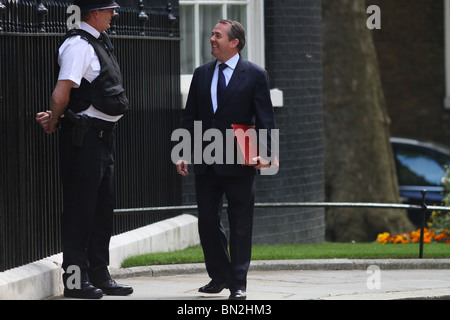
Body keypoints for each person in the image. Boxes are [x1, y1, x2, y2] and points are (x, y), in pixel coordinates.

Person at [36, 0, 133, 299]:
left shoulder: (99, 41)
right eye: (109, 9)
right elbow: (62, 90)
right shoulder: (78, 45)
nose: (114, 14)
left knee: (102, 209)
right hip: (85, 137)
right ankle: (75, 281)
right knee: (80, 211)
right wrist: (53, 118)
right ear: (95, 12)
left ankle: (99, 274)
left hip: (104, 137)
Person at [176, 20, 277, 300]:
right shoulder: (201, 73)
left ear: (234, 42)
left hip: (240, 160)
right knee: (207, 222)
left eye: (217, 35)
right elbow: (190, 116)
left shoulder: (255, 74)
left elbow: (266, 118)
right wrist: (182, 151)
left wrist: (266, 153)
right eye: (211, 34)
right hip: (206, 159)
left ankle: (239, 283)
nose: (211, 39)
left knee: (240, 222)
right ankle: (219, 276)